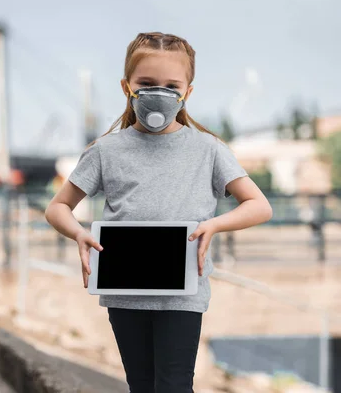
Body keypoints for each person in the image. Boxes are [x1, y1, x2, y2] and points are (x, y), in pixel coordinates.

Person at [44, 32, 273, 393]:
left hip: (184, 293)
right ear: (126, 86)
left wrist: (213, 224)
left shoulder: (209, 149)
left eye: (171, 85)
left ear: (188, 92)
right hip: (124, 290)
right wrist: (78, 232)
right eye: (147, 83)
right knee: (141, 384)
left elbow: (259, 205)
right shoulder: (105, 150)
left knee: (174, 385)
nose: (159, 93)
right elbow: (58, 207)